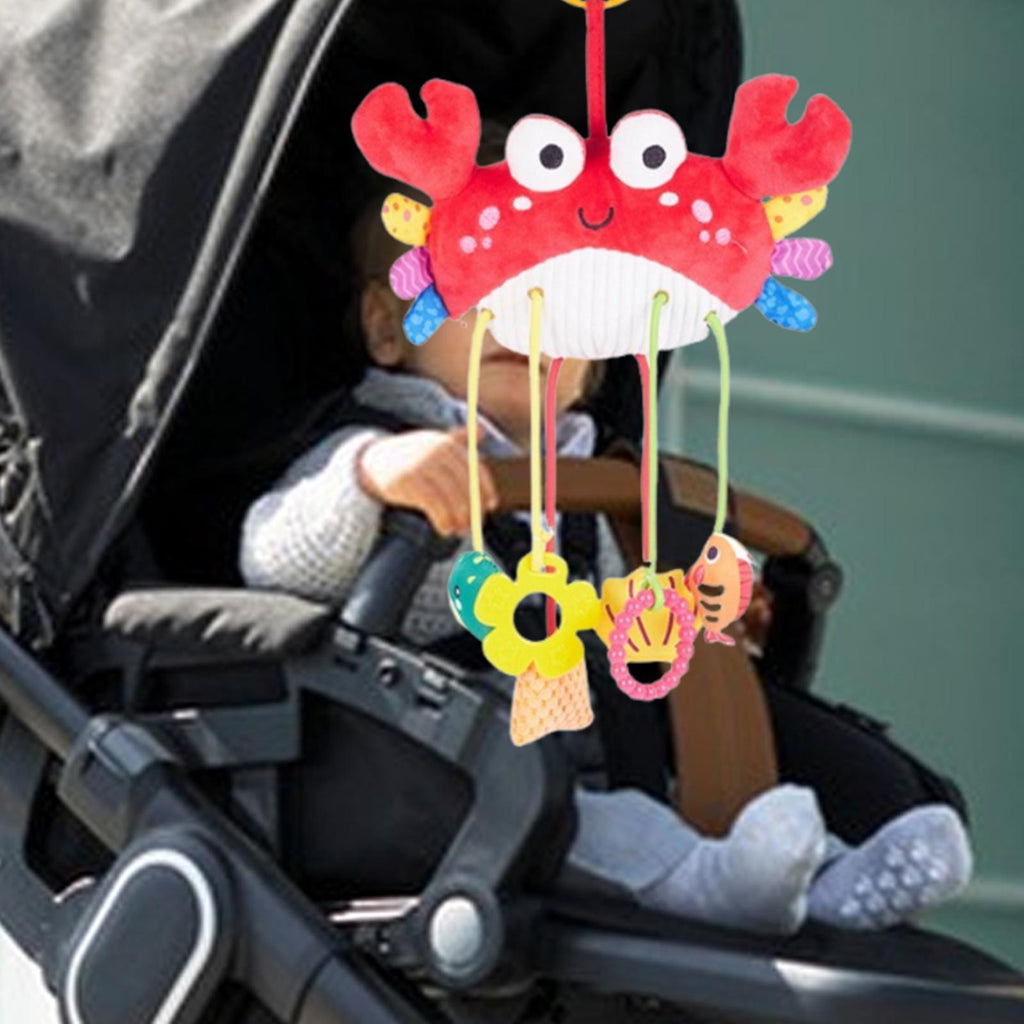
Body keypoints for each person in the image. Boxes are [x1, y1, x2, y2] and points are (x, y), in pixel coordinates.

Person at [238, 163, 972, 935]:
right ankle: (708, 880)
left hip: (600, 726)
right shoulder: (375, 446)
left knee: (700, 735)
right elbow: (273, 555)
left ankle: (825, 871)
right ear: (388, 328)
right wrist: (368, 479)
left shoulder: (602, 488)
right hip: (451, 751)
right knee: (591, 815)